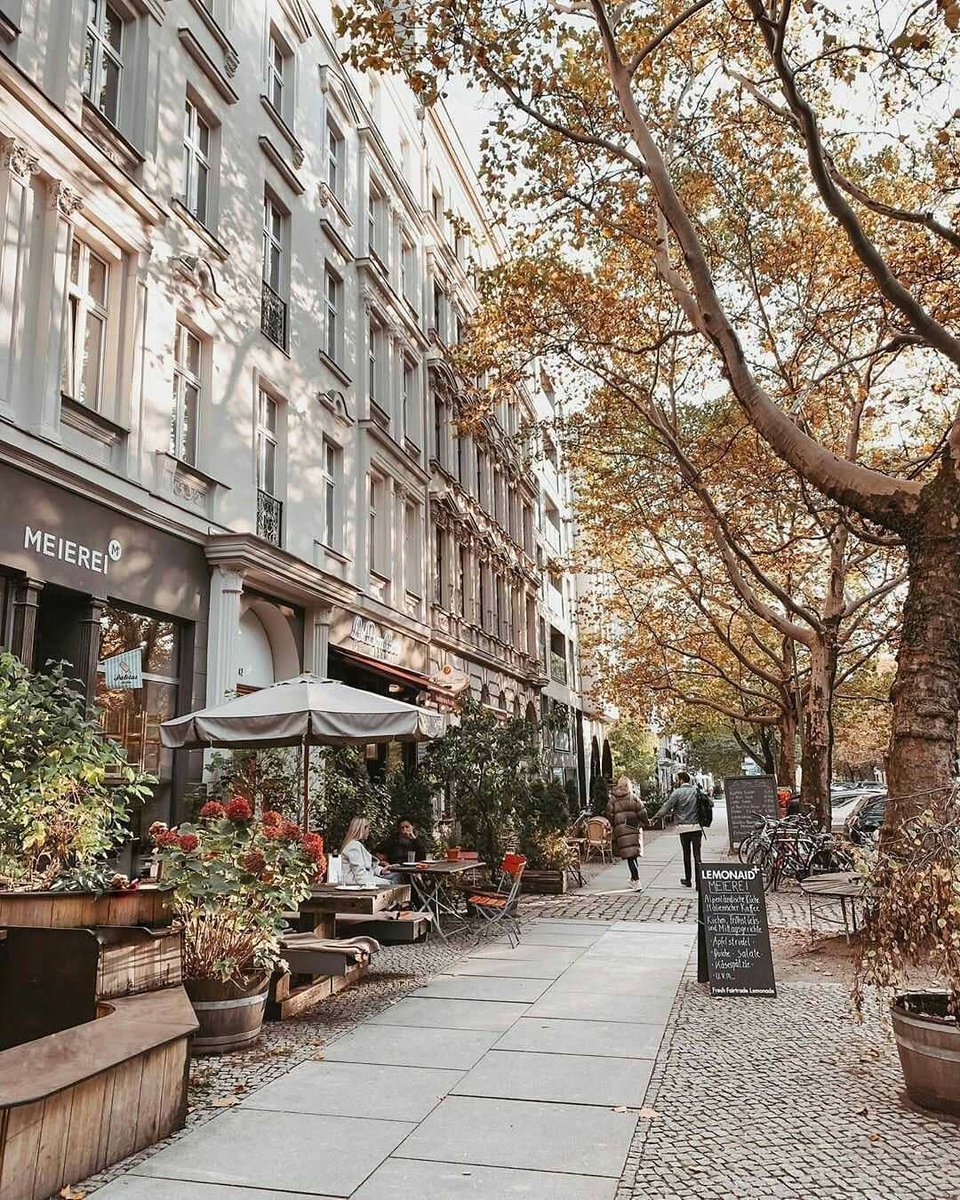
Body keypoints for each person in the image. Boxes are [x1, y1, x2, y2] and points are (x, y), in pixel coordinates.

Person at [661, 771, 704, 888]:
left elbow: (666, 807)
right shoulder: (696, 791)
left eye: (677, 779)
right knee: (697, 855)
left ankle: (688, 880)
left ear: (681, 780)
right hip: (696, 827)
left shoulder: (677, 793)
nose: (676, 781)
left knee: (686, 854)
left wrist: (655, 818)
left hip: (683, 828)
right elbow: (708, 804)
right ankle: (699, 883)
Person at [606, 775, 647, 891]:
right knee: (633, 855)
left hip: (621, 830)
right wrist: (644, 823)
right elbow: (643, 812)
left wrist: (615, 824)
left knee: (630, 856)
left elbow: (609, 814)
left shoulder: (613, 799)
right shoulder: (633, 798)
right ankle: (634, 879)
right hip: (633, 827)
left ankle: (637, 880)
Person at [340, 817, 393, 887]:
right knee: (394, 881)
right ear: (362, 829)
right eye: (368, 828)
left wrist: (381, 871)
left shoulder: (355, 845)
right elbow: (360, 876)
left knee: (397, 876)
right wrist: (386, 882)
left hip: (363, 880)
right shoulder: (353, 846)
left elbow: (366, 867)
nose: (369, 831)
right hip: (355, 884)